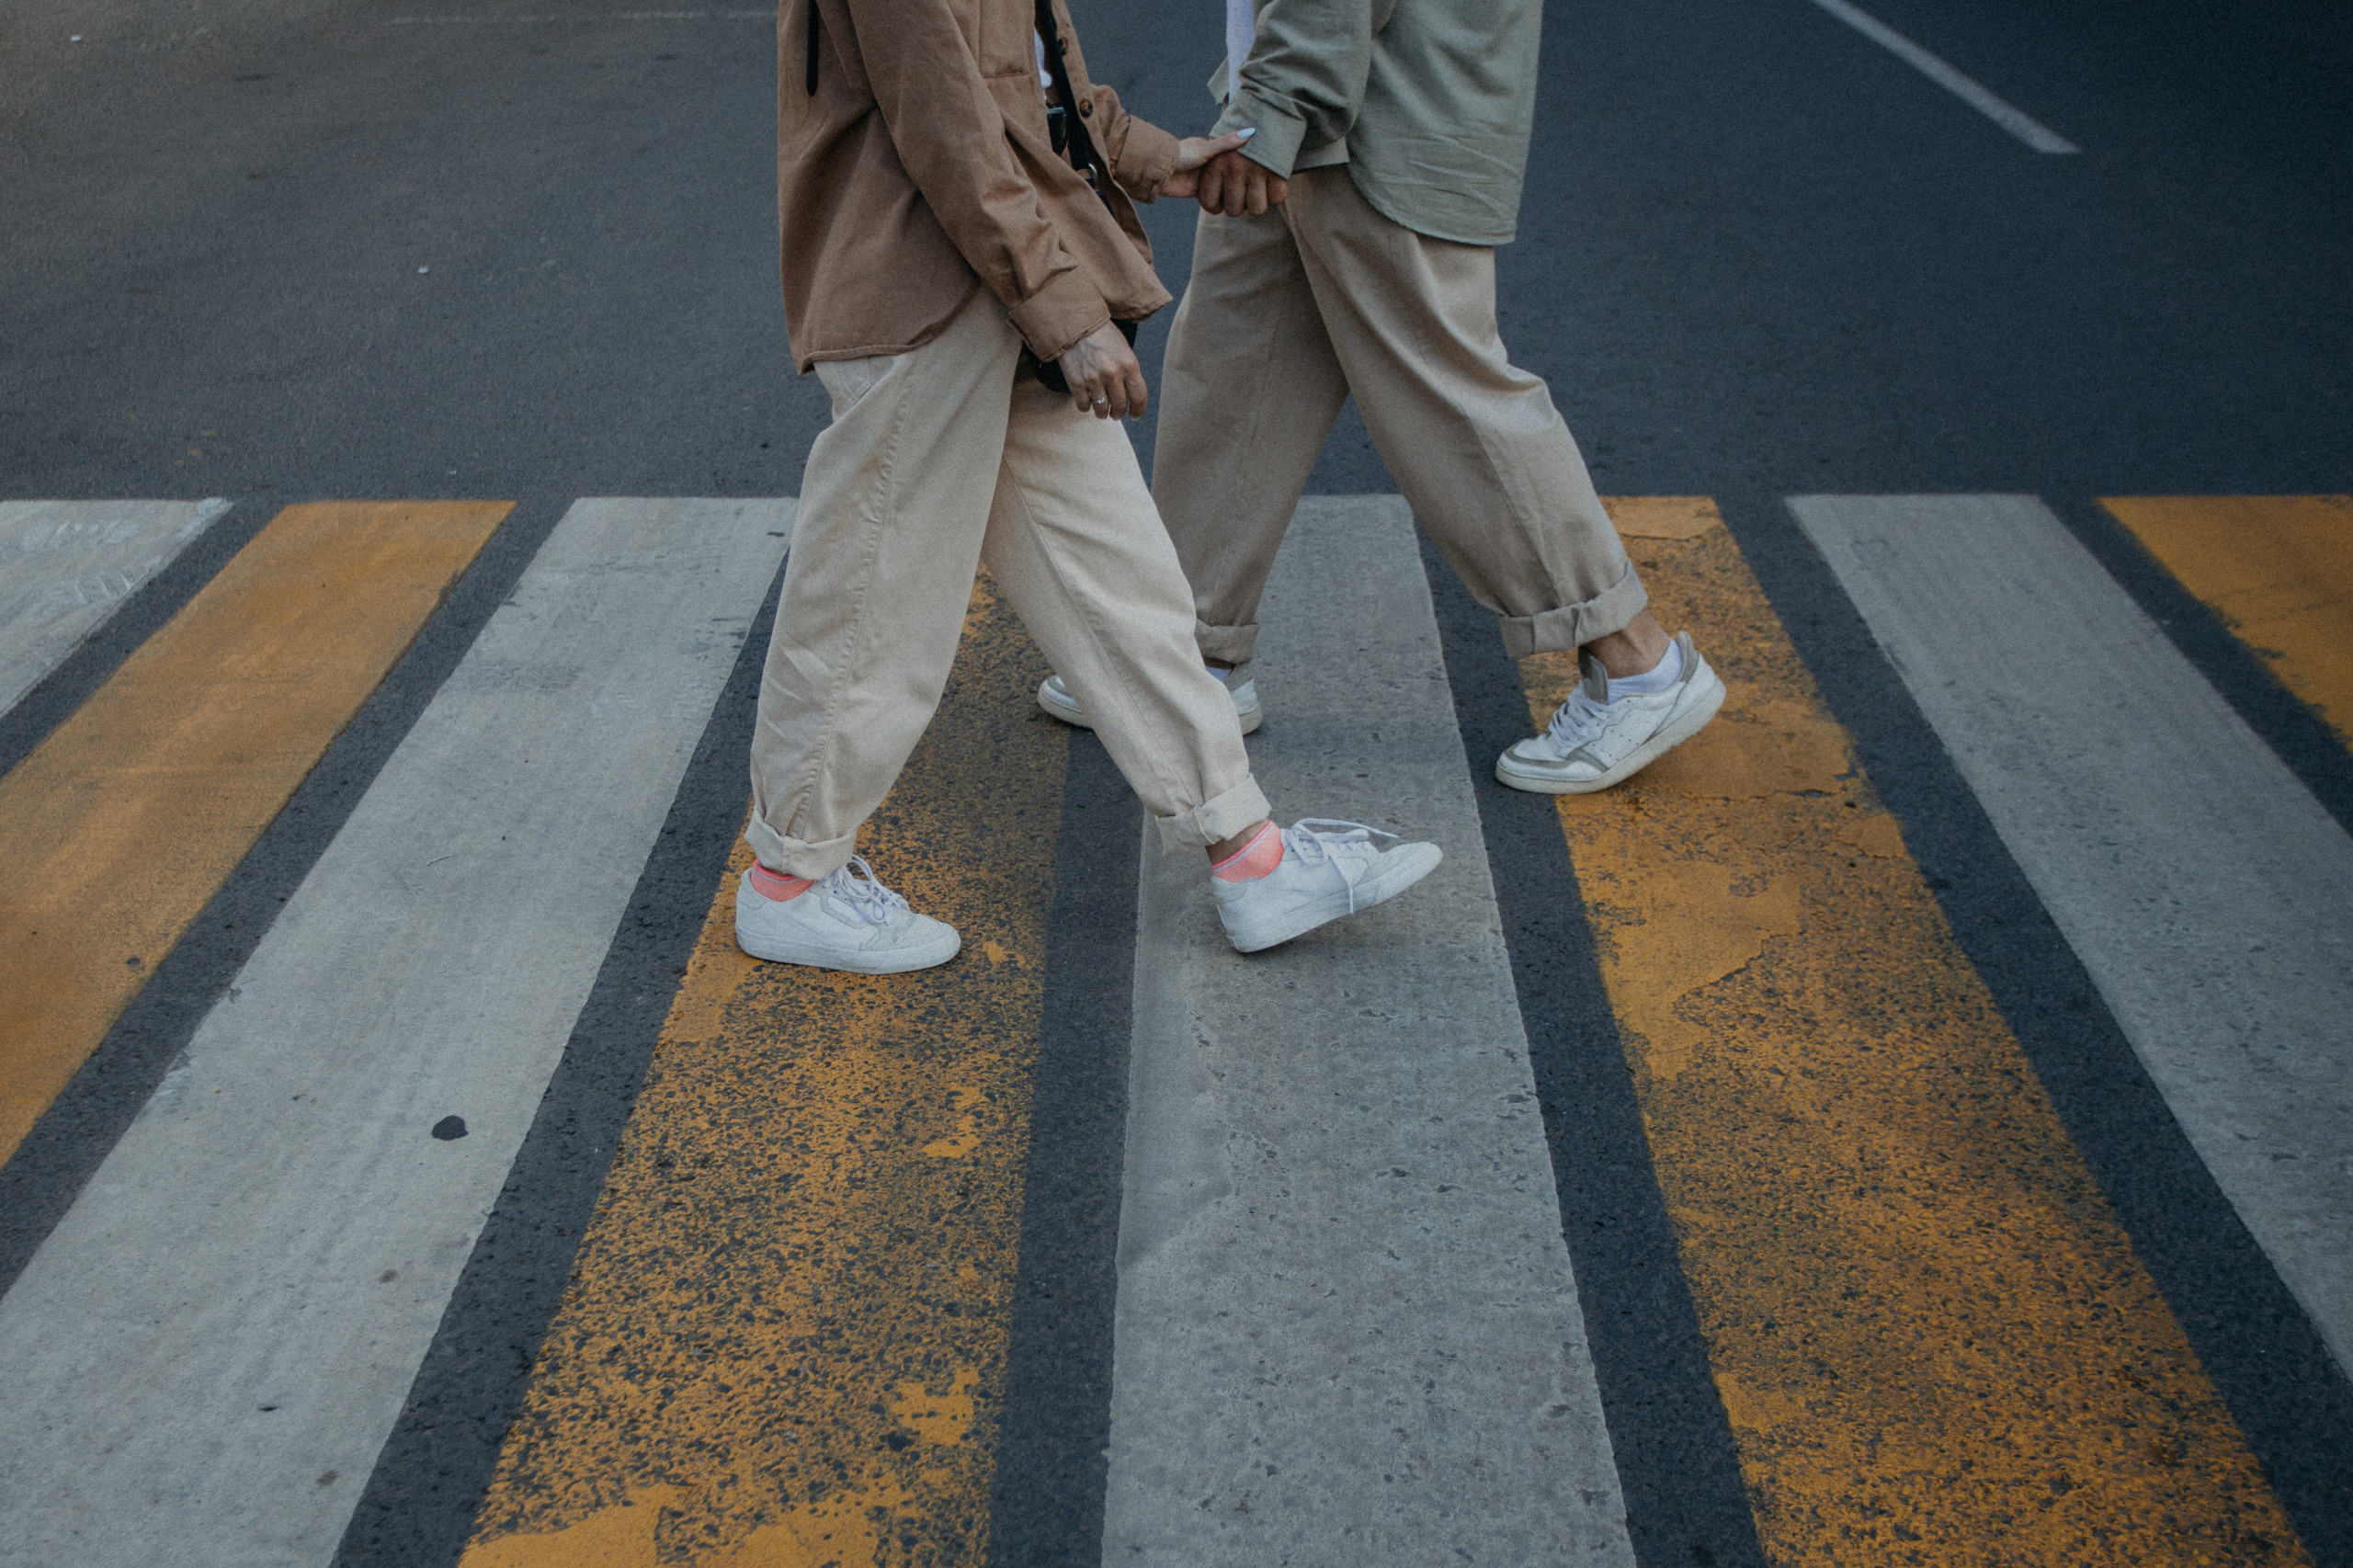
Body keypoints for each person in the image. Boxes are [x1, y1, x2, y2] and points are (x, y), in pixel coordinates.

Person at [740, 0, 1441, 973]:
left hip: (998, 273)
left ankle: (1248, 852)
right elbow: (945, 117)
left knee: (1122, 582)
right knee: (871, 599)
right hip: (921, 282)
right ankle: (789, 877)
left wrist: (1150, 155)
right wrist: (1065, 313)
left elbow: (1021, 71)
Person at [1035, 0, 1724, 796]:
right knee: (1234, 364)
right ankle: (1190, 654)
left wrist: (1281, 104)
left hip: (1373, 107)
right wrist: (1268, 102)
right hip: (1304, 92)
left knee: (1444, 394)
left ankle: (1633, 658)